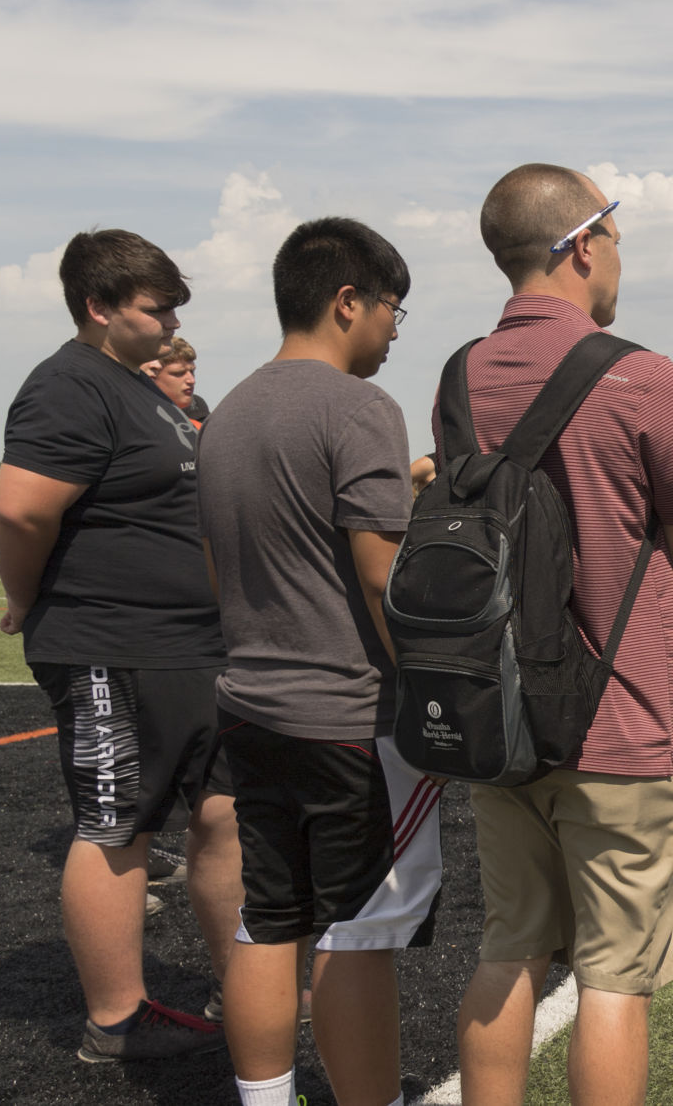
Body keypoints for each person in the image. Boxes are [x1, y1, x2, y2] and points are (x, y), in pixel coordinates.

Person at [452, 163, 673, 1106]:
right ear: (583, 242)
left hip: (498, 714)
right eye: (616, 235)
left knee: (509, 949)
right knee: (616, 974)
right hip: (621, 717)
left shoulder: (460, 372)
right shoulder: (639, 373)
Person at [199, 217, 440, 1106]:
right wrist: (427, 705)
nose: (390, 330)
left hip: (250, 704)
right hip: (348, 716)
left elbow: (220, 572)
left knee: (268, 920)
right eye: (392, 310)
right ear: (349, 301)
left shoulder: (225, 411)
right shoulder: (360, 408)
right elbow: (383, 580)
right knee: (358, 931)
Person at [0, 228, 238, 1062]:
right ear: (97, 307)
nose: (171, 323)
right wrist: (26, 598)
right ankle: (116, 1020)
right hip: (111, 641)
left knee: (224, 816)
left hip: (187, 647)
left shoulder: (136, 387)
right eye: (154, 307)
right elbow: (22, 509)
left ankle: (243, 983)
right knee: (115, 824)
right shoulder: (67, 385)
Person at [145, 336, 207, 424]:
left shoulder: (200, 411)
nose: (191, 380)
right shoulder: (137, 416)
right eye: (179, 373)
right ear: (152, 376)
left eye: (192, 371)